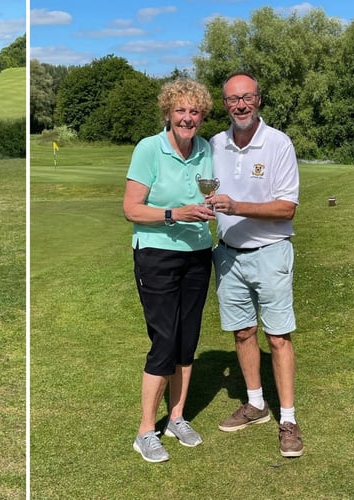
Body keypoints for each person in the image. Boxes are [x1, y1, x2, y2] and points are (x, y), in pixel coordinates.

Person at [205, 71, 303, 458]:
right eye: (232, 99)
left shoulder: (278, 143)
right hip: (228, 254)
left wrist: (237, 206)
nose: (240, 105)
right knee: (243, 333)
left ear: (259, 100)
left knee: (277, 338)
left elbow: (287, 207)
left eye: (247, 97)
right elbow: (206, 190)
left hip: (270, 252)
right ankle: (256, 404)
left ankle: (289, 419)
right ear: (225, 104)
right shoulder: (215, 143)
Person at [122, 78, 215, 463]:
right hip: (156, 254)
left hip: (197, 253)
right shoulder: (149, 148)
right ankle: (145, 431)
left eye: (195, 111)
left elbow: (209, 194)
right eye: (181, 110)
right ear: (168, 113)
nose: (188, 118)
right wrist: (175, 214)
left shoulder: (206, 149)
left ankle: (176, 417)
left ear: (202, 116)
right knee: (164, 340)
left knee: (187, 339)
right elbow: (131, 208)